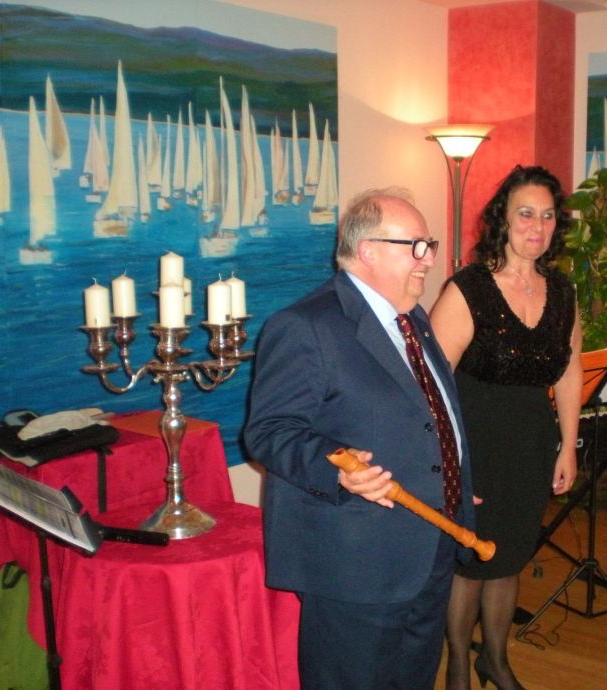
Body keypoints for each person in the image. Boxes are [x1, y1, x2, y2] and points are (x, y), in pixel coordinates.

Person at [244, 188, 475, 690]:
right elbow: (268, 431)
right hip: (355, 560)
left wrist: (452, 481)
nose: (429, 259)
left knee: (414, 678)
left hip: (429, 542)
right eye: (416, 246)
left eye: (429, 245)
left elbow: (429, 417)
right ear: (368, 250)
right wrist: (337, 469)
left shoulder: (412, 319)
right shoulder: (305, 326)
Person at [429, 165, 583, 690]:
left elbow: (569, 371)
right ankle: (457, 666)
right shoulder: (468, 289)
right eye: (526, 213)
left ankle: (494, 660)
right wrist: (450, 466)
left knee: (511, 555)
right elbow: (432, 388)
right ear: (503, 219)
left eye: (547, 215)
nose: (537, 226)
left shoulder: (561, 290)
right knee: (470, 560)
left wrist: (567, 447)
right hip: (475, 442)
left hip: (532, 442)